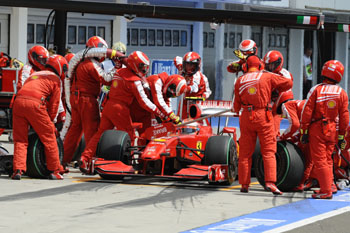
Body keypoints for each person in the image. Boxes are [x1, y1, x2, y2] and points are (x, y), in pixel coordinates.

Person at [79, 51, 166, 174]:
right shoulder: (134, 81)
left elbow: (108, 82)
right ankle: (128, 165)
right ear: (135, 65)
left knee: (99, 134)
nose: (144, 69)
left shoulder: (118, 72)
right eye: (142, 66)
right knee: (129, 135)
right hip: (120, 109)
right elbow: (144, 102)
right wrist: (159, 112)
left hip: (108, 106)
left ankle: (85, 158)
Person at [232, 55, 293, 195]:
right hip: (263, 116)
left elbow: (236, 107)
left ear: (246, 67)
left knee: (245, 154)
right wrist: (273, 89)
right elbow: (288, 83)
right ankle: (270, 183)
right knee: (269, 151)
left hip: (246, 117)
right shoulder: (266, 76)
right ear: (260, 66)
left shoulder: (240, 80)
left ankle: (244, 184)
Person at [11, 55, 68, 180]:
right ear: (60, 67)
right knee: (49, 137)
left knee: (20, 140)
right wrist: (51, 123)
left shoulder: (34, 74)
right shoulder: (55, 79)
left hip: (18, 103)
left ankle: (18, 170)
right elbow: (54, 105)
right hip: (35, 103)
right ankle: (55, 171)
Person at [62, 36, 116, 165]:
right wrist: (116, 69)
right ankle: (88, 161)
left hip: (75, 99)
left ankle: (63, 159)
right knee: (92, 130)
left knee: (74, 131)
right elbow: (106, 79)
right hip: (86, 100)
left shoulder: (79, 62)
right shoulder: (91, 63)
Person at [300, 60, 349, 199]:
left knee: (320, 159)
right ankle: (329, 186)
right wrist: (341, 136)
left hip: (318, 128)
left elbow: (307, 112)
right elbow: (345, 117)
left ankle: (326, 190)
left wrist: (304, 131)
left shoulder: (317, 90)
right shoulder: (342, 92)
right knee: (328, 159)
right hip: (333, 128)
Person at [131, 72, 187, 145]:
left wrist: (170, 120)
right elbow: (159, 102)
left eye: (173, 96)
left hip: (146, 112)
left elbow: (167, 104)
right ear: (171, 83)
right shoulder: (156, 81)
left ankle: (143, 154)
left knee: (146, 136)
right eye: (171, 92)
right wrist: (173, 116)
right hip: (132, 107)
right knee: (129, 135)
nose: (170, 94)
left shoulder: (166, 90)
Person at [263, 50, 293, 137]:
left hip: (278, 104)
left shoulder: (285, 74)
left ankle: (275, 139)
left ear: (278, 63)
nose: (269, 68)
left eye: (271, 65)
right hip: (267, 102)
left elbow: (287, 88)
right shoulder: (264, 72)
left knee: (274, 125)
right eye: (267, 65)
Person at [180, 51, 211, 119]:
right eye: (186, 64)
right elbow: (176, 59)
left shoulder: (198, 76)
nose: (188, 67)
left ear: (197, 65)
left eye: (191, 65)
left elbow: (195, 88)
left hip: (197, 106)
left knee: (196, 125)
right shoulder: (183, 74)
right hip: (184, 104)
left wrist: (203, 96)